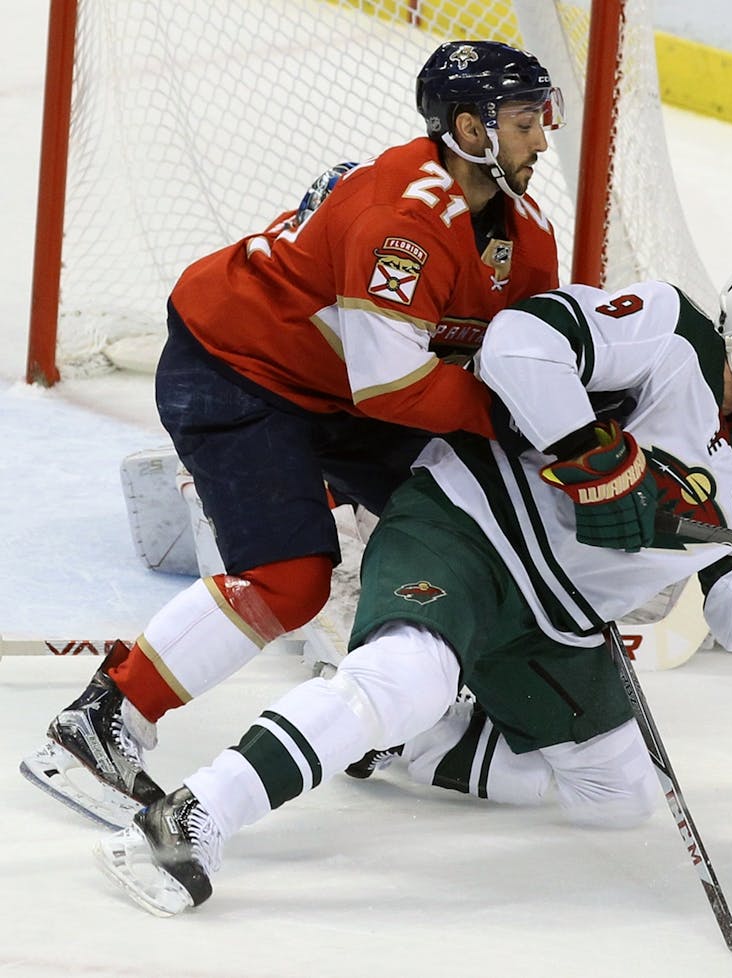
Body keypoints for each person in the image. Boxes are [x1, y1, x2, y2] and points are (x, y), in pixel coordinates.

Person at [91, 260, 732, 916]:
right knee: (409, 676)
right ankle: (188, 821)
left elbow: (729, 600)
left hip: (561, 620)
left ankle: (394, 743)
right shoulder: (668, 329)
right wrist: (596, 455)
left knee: (616, 795)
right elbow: (518, 342)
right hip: (472, 526)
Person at [22, 40, 567, 828]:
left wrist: (579, 428)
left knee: (474, 508)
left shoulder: (525, 230)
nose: (541, 140)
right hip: (237, 370)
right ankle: (100, 724)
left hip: (331, 390)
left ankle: (392, 702)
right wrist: (515, 419)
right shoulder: (400, 222)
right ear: (469, 127)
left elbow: (537, 346)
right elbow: (393, 386)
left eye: (540, 120)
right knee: (291, 577)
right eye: (523, 122)